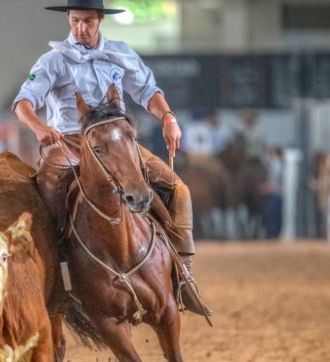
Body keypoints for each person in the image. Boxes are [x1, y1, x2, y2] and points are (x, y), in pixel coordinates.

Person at [12, 0, 209, 316]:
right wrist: (38, 127)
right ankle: (52, 273)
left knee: (178, 190)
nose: (81, 28)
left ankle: (183, 275)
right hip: (69, 142)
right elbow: (24, 101)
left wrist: (168, 117)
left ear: (100, 19)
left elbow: (148, 91)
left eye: (88, 21)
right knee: (47, 193)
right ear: (69, 19)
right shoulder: (53, 61)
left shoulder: (120, 53)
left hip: (117, 142)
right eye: (75, 21)